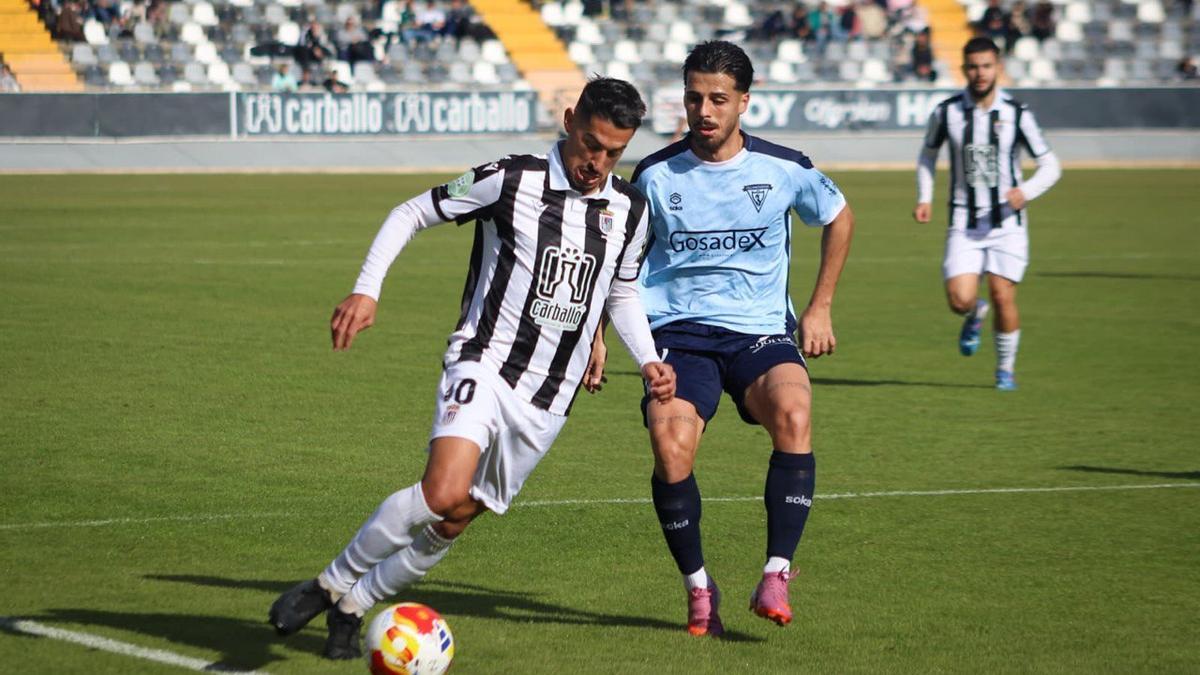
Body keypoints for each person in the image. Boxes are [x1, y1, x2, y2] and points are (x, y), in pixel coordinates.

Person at [268, 77, 675, 659]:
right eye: (591, 144)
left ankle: (356, 606)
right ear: (569, 121)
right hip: (485, 360)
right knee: (442, 490)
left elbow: (622, 292)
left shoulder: (630, 209)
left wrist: (651, 359)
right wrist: (366, 290)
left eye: (614, 152)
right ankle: (328, 584)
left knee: (456, 518)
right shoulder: (508, 178)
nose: (598, 162)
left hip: (550, 396)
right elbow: (411, 211)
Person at [588, 40, 854, 637]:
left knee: (794, 410)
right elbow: (618, 259)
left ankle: (777, 573)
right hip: (678, 336)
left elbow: (839, 215)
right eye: (693, 97)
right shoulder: (654, 175)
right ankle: (699, 586)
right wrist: (599, 335)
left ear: (744, 103)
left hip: (759, 333)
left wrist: (820, 306)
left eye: (718, 99)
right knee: (670, 445)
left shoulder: (785, 167)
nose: (703, 110)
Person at [912, 37, 1061, 390]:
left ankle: (1005, 370)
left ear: (998, 68)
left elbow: (1051, 165)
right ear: (964, 69)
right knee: (959, 300)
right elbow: (927, 155)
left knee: (1002, 294)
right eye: (974, 67)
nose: (980, 73)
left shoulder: (1017, 114)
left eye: (987, 66)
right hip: (964, 222)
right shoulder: (946, 111)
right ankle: (974, 313)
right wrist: (925, 197)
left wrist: (1025, 192)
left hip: (1007, 223)